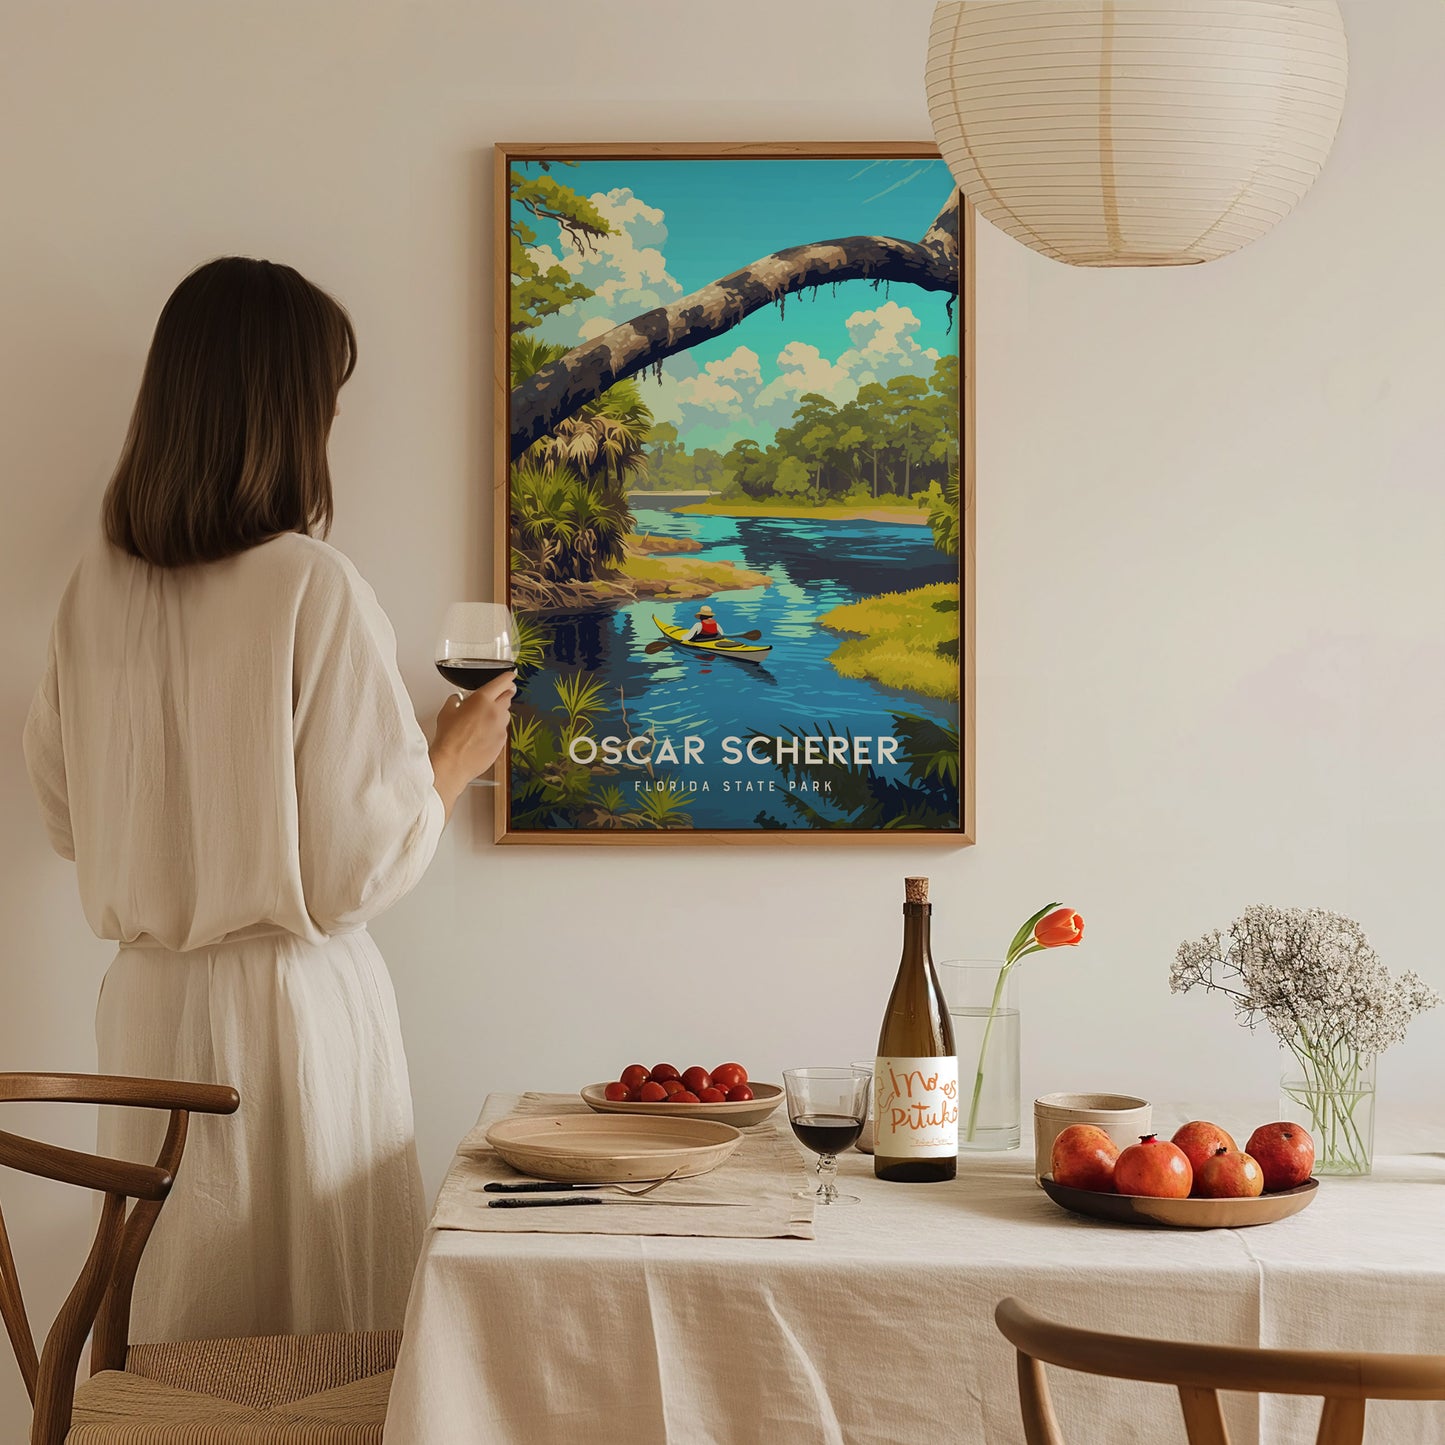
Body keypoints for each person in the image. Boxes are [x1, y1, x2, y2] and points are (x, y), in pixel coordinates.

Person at [21, 256, 513, 1342]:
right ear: (287, 412)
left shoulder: (92, 589)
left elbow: (65, 817)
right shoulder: (310, 583)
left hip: (145, 1008)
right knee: (313, 1342)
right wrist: (450, 759)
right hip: (289, 1017)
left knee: (177, 1326)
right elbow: (351, 872)